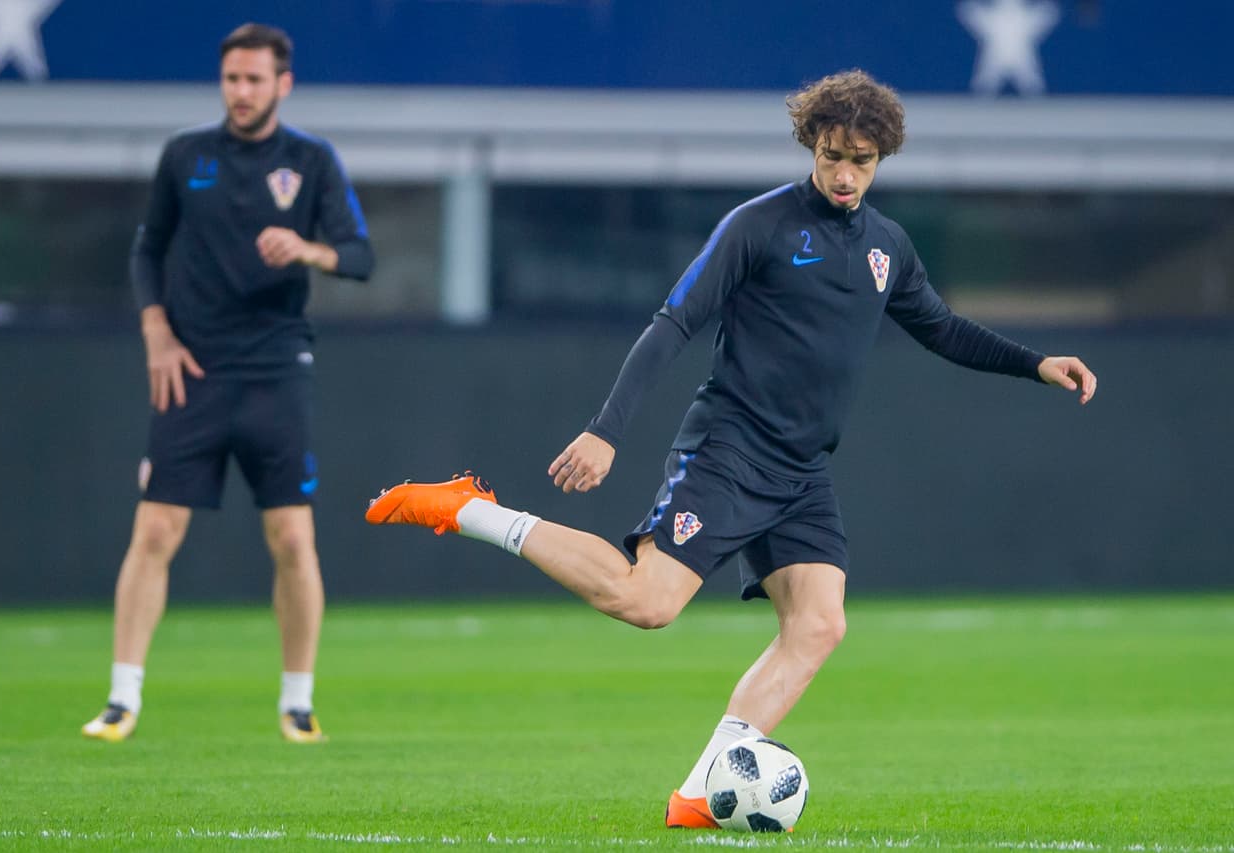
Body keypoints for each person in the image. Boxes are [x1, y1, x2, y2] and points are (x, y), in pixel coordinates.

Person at [364, 70, 1097, 823]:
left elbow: (942, 327)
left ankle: (695, 794)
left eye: (863, 160)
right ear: (811, 143)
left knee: (819, 624)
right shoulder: (761, 225)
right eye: (833, 154)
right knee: (645, 602)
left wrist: (1036, 363)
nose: (845, 174)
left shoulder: (888, 247)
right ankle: (471, 509)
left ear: (882, 159)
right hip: (732, 448)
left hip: (802, 469)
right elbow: (673, 323)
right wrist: (606, 430)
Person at [82, 23, 374, 744]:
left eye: (253, 79)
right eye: (230, 79)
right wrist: (156, 330)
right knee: (154, 528)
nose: (239, 91)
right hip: (193, 369)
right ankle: (122, 698)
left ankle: (298, 703)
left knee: (290, 537)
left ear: (283, 83)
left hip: (276, 368)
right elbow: (148, 248)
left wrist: (308, 249)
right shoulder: (187, 156)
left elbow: (362, 257)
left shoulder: (310, 161)